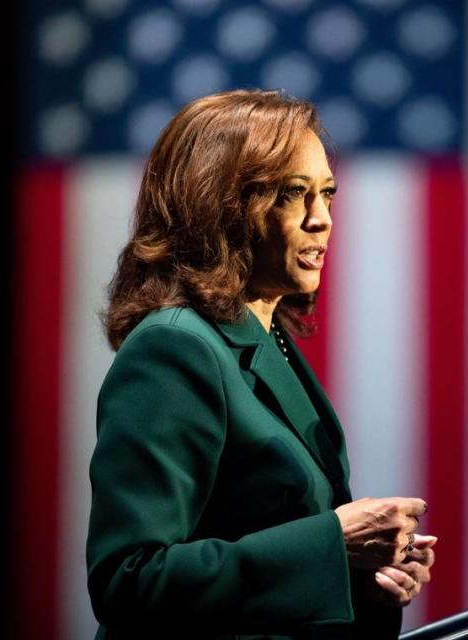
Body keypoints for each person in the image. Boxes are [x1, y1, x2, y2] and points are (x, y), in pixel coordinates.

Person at [86, 89, 437, 640]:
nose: (320, 220)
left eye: (327, 194)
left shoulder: (265, 337)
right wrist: (330, 544)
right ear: (221, 204)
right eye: (294, 193)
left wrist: (358, 576)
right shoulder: (174, 349)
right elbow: (128, 580)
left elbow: (268, 553)